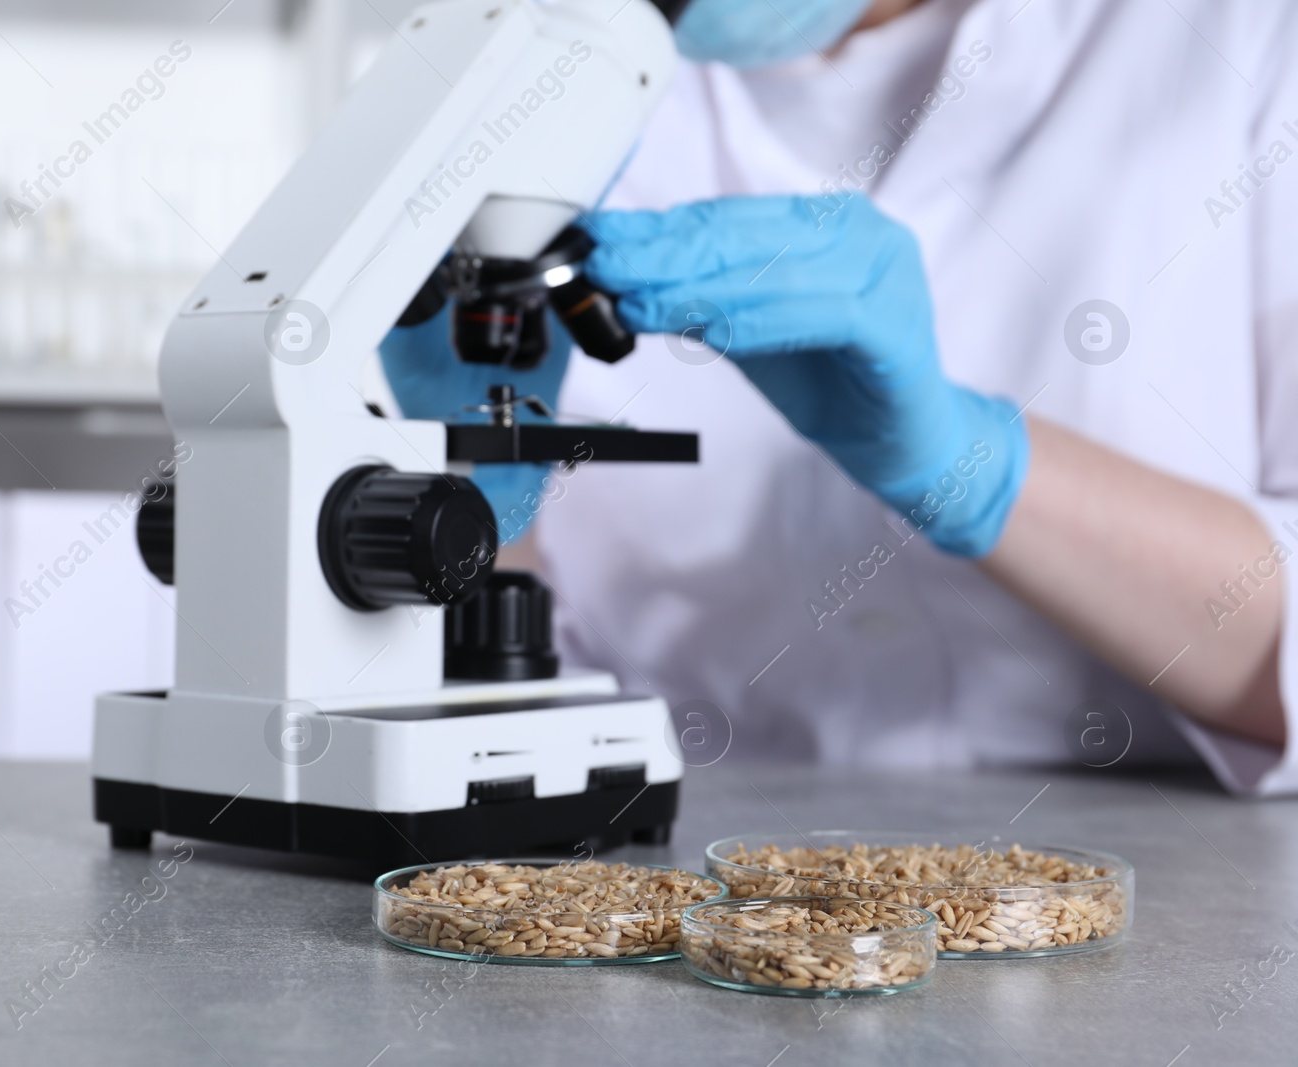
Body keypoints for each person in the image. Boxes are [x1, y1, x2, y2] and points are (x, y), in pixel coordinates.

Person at [381, 0, 1298, 795]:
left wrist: (971, 467)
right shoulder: (534, 79)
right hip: (686, 874)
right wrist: (471, 504)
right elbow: (493, 703)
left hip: (1163, 884)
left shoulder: (1236, 44)